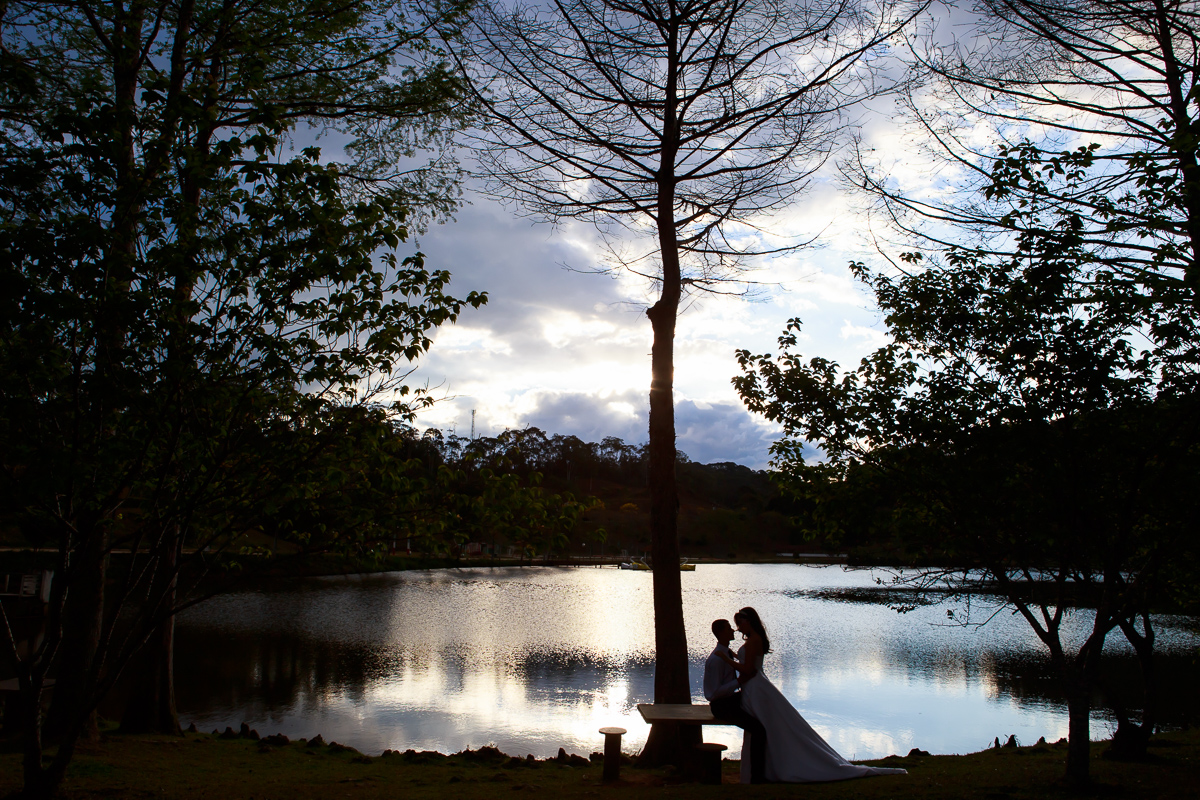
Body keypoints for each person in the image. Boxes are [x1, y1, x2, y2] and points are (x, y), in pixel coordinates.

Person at [721, 607, 908, 784]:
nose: (738, 628)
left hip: (756, 689)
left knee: (767, 727)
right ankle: (764, 770)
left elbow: (748, 669)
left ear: (749, 621)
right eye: (737, 624)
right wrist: (735, 657)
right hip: (754, 688)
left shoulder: (754, 640)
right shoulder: (754, 640)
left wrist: (727, 660)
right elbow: (748, 662)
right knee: (767, 728)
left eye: (740, 623)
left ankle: (767, 770)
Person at [703, 619, 767, 783]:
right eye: (730, 628)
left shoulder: (727, 654)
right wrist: (739, 682)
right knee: (758, 729)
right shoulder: (717, 660)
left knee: (761, 719)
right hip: (721, 706)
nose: (734, 630)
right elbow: (713, 693)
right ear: (722, 633)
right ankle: (757, 776)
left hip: (731, 700)